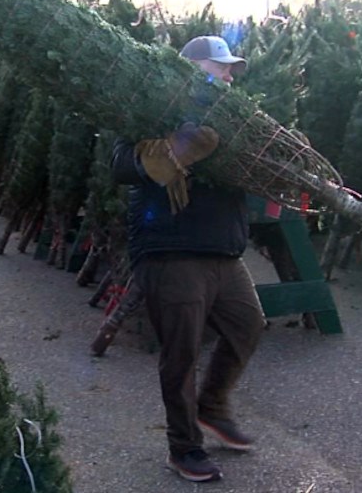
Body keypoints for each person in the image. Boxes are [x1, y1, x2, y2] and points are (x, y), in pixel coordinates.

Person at [110, 35, 265, 483]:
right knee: (181, 353)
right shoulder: (150, 109)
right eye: (222, 68)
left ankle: (212, 407)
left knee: (247, 324)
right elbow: (120, 164)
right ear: (193, 68)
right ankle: (183, 448)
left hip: (222, 250)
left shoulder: (233, 119)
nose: (230, 75)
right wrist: (168, 151)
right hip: (171, 250)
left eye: (231, 68)